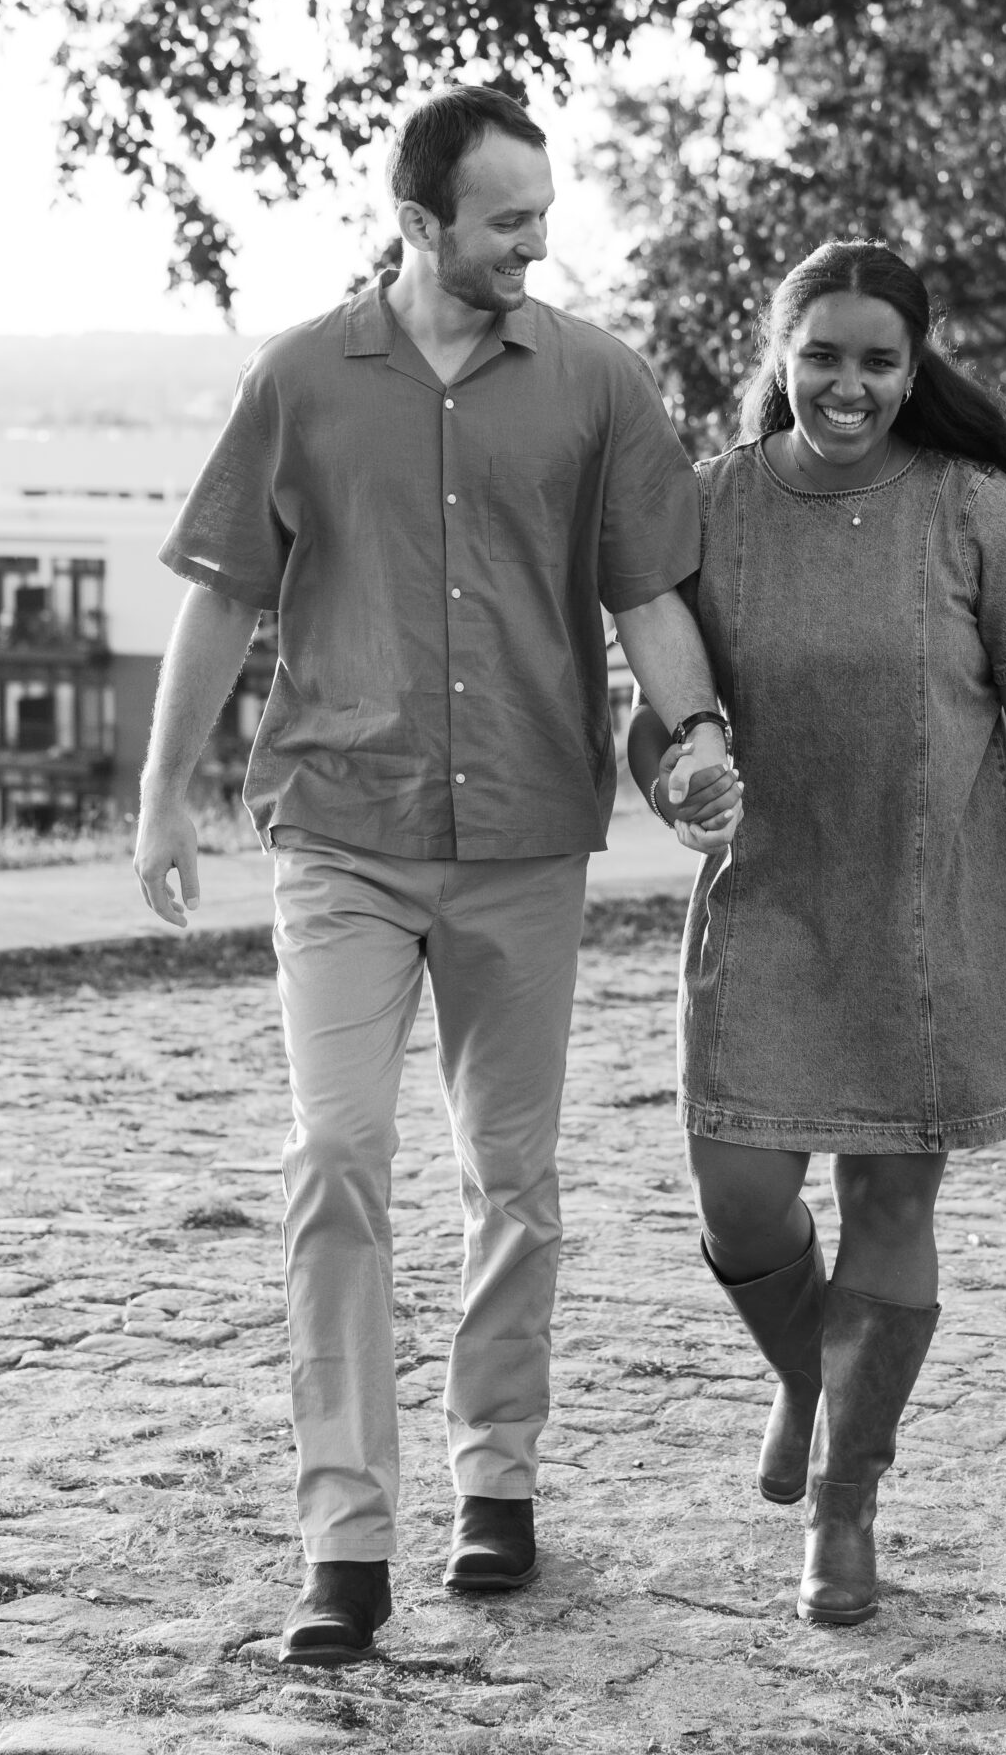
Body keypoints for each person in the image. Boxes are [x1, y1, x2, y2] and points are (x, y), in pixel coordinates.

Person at [134, 85, 739, 1666]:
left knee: (511, 1181)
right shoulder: (302, 379)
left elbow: (648, 591)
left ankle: (498, 1476)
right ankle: (343, 1538)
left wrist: (695, 734)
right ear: (418, 223)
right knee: (333, 1156)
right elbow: (219, 596)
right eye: (507, 220)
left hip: (526, 838)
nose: (538, 242)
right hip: (339, 829)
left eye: (543, 213)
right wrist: (162, 799)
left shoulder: (596, 381)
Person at [628, 238, 1006, 1628]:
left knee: (888, 1206)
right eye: (822, 355)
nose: (846, 385)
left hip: (931, 920)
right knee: (737, 1195)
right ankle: (813, 1374)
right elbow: (659, 723)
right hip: (767, 911)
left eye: (877, 361)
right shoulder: (706, 508)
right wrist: (678, 779)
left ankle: (844, 1507)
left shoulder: (973, 512)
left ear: (914, 372)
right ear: (778, 354)